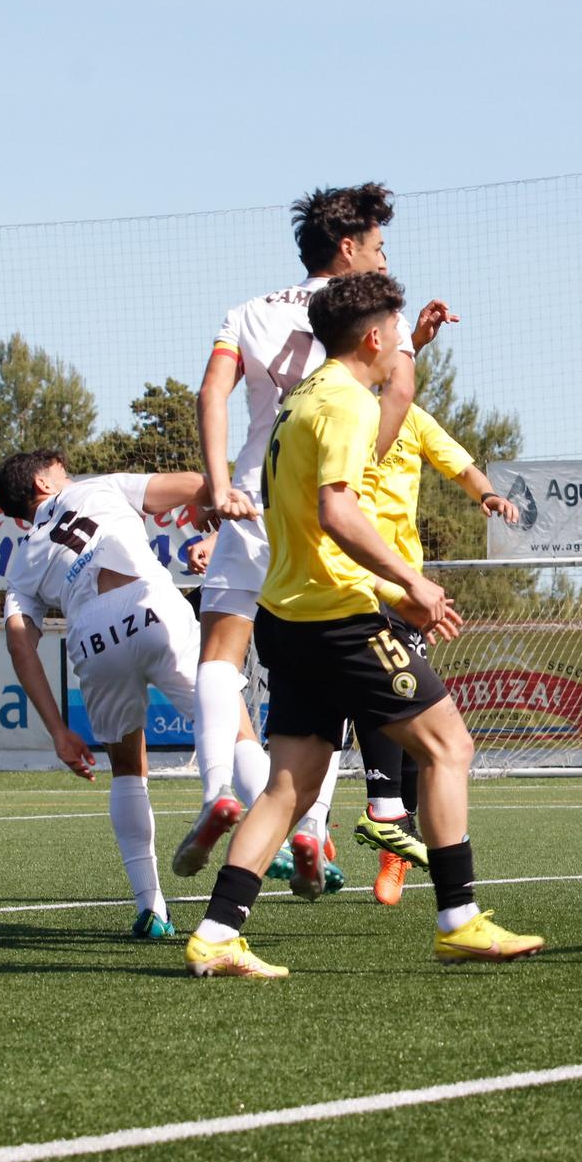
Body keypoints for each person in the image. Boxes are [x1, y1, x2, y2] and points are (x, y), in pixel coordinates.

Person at [185, 274, 540, 977]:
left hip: (285, 615)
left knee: (290, 786)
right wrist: (410, 581)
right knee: (449, 747)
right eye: (400, 332)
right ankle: (459, 919)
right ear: (374, 337)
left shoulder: (301, 399)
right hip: (340, 617)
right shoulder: (347, 402)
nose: (402, 343)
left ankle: (218, 931)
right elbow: (337, 513)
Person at [189, 183, 452, 897]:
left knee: (221, 654)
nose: (383, 254)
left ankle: (219, 787)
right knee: (409, 718)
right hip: (324, 523)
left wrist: (217, 485)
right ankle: (318, 828)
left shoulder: (246, 311)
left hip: (252, 499)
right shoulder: (368, 329)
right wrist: (410, 355)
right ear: (349, 247)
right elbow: (380, 435)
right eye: (378, 243)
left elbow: (212, 392)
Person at [0, 450, 212, 939]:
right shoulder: (100, 488)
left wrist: (57, 730)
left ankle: (151, 907)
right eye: (59, 470)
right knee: (224, 722)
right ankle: (279, 825)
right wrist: (207, 520)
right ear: (43, 484)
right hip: (149, 601)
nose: (67, 473)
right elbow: (198, 483)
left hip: (91, 635)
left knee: (128, 768)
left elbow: (17, 641)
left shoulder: (24, 560)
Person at [351, 402, 520, 905]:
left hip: (404, 584)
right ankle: (360, 819)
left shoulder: (413, 417)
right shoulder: (336, 404)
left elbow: (462, 467)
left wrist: (486, 494)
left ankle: (392, 844)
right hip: (349, 579)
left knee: (416, 717)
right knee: (369, 706)